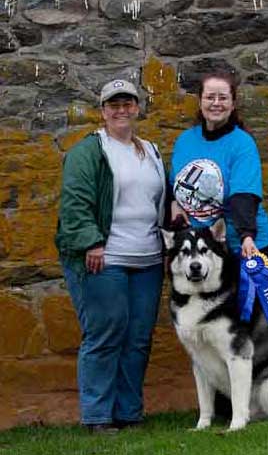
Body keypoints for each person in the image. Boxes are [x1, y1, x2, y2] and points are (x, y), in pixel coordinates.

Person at [55, 79, 166, 433]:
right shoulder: (88, 152)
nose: (121, 110)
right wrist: (91, 242)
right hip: (105, 258)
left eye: (127, 103)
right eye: (113, 105)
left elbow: (163, 198)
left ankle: (128, 413)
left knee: (138, 339)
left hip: (148, 259)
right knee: (105, 334)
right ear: (102, 111)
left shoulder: (151, 150)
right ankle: (97, 416)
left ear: (137, 108)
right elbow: (74, 204)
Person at [169, 71, 268, 259]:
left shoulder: (242, 143)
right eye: (210, 97)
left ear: (232, 104)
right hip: (200, 247)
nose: (216, 103)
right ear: (200, 102)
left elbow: (244, 195)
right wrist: (175, 204)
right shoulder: (184, 141)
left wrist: (247, 236)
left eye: (223, 98)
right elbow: (174, 184)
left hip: (240, 243)